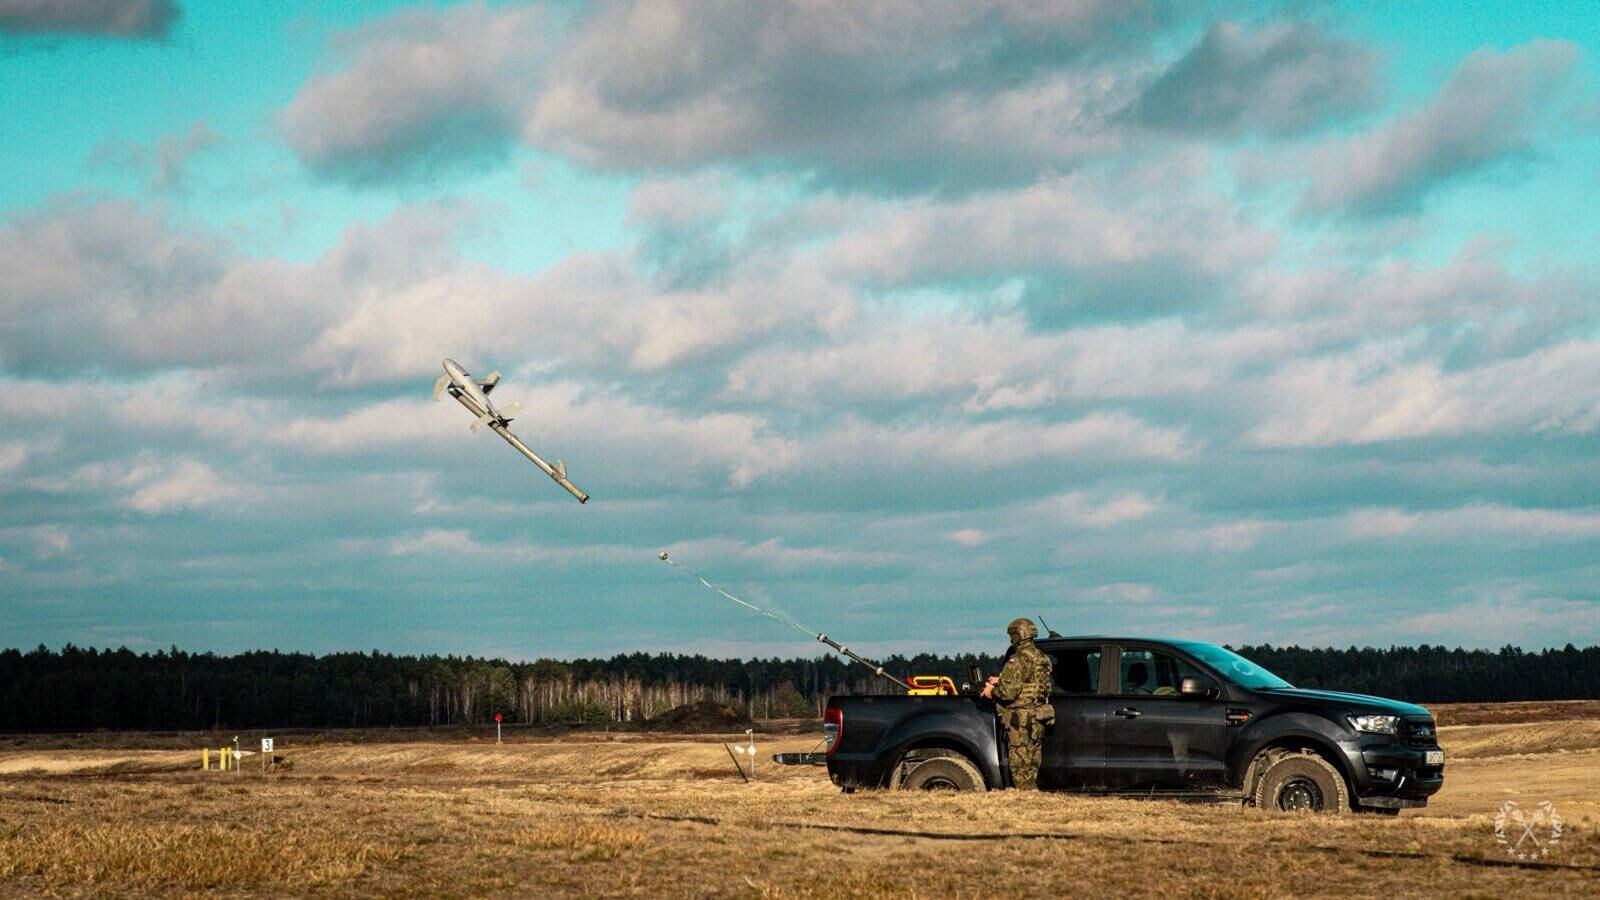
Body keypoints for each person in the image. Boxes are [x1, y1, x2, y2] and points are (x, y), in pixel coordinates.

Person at [981, 617, 1055, 789]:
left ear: (1019, 635)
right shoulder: (1041, 658)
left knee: (1021, 770)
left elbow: (1007, 694)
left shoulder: (1019, 659)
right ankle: (1031, 796)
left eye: (1012, 635)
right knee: (1032, 766)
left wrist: (991, 691)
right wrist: (1001, 679)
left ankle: (1025, 801)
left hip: (1021, 722)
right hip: (1037, 718)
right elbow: (1032, 683)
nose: (1011, 639)